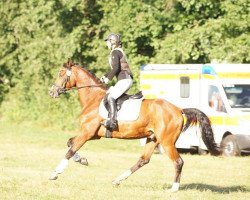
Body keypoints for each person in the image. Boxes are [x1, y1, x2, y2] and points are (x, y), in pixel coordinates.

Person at [100, 33, 133, 132]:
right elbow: (115, 69)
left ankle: (112, 121)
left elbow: (116, 68)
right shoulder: (116, 52)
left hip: (125, 79)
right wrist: (105, 76)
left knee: (111, 97)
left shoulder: (115, 52)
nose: (107, 44)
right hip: (124, 79)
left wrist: (107, 79)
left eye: (108, 42)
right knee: (109, 94)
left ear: (112, 42)